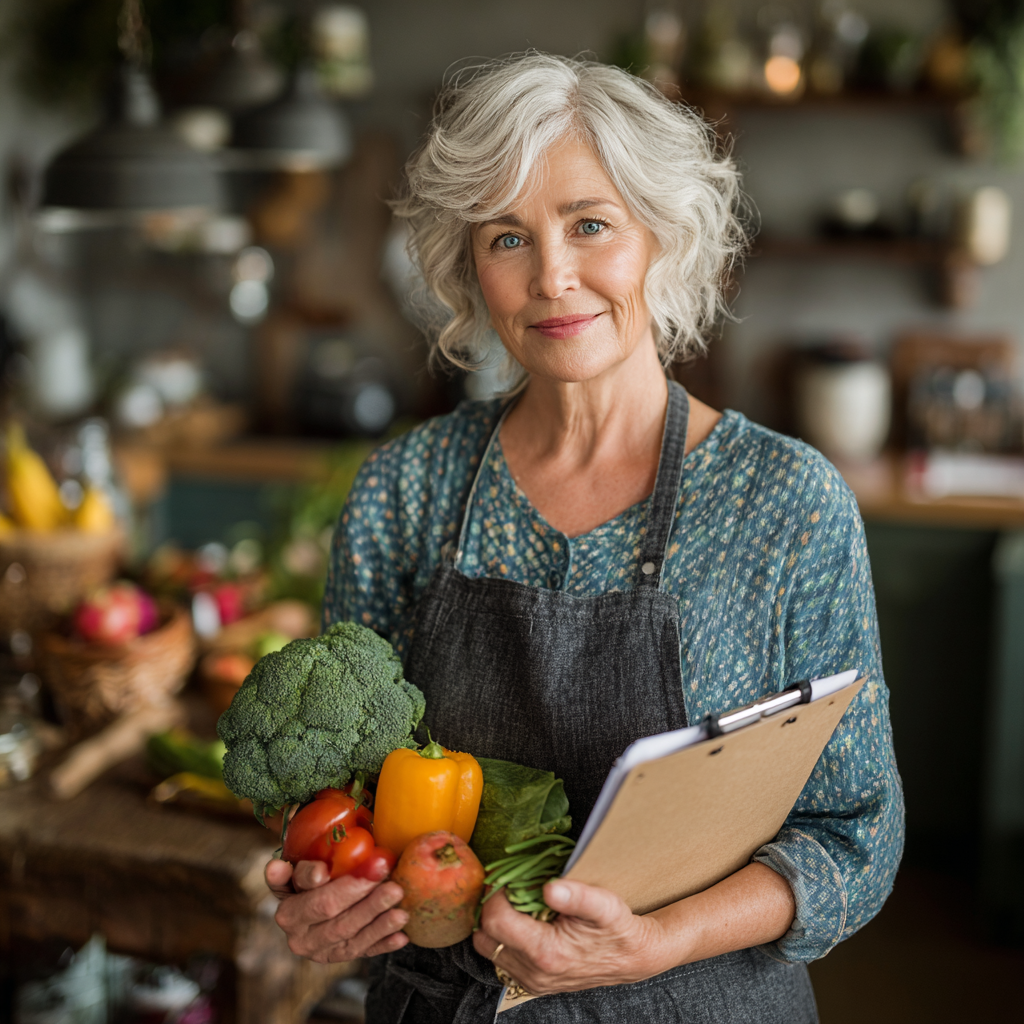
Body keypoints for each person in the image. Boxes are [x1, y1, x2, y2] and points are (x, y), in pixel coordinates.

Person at [265, 52, 904, 1023]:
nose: (551, 277)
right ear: (467, 266)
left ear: (662, 236)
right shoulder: (407, 489)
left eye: (589, 225)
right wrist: (320, 894)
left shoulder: (785, 505)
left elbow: (856, 836)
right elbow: (338, 798)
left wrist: (656, 941)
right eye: (506, 237)